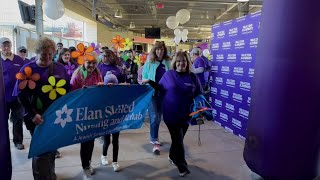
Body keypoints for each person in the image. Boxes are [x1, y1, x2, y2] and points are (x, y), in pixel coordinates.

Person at [14, 37, 69, 179]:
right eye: (44, 54)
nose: (48, 57)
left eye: (51, 54)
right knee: (41, 149)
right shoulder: (28, 69)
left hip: (55, 116)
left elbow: (67, 90)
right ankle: (41, 176)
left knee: (51, 146)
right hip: (36, 117)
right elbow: (21, 95)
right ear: (37, 52)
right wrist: (32, 114)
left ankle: (50, 173)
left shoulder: (59, 68)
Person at [142, 51, 202, 177]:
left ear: (187, 62)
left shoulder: (193, 77)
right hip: (171, 114)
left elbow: (198, 94)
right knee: (178, 140)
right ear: (175, 63)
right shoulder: (169, 74)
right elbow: (160, 87)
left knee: (178, 140)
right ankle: (182, 166)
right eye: (179, 61)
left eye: (184, 61)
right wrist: (149, 81)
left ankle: (171, 156)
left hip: (186, 115)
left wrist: (201, 107)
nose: (181, 63)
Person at [70, 52, 102, 180]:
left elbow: (100, 89)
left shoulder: (97, 73)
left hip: (93, 111)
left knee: (91, 139)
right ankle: (85, 167)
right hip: (82, 112)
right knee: (85, 140)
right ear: (83, 62)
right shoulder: (77, 75)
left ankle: (88, 163)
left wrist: (103, 87)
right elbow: (71, 95)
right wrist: (80, 92)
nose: (92, 65)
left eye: (94, 63)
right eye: (89, 62)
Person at [142, 41, 171, 154]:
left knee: (161, 117)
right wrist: (148, 81)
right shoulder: (149, 62)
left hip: (165, 94)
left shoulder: (168, 62)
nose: (159, 51)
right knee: (154, 117)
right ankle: (154, 140)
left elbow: (172, 76)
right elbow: (143, 77)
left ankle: (155, 138)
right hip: (152, 94)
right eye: (157, 49)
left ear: (164, 51)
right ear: (154, 50)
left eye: (162, 49)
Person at [0, 37, 26, 150]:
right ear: (1, 47)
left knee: (18, 119)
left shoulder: (19, 60)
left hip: (17, 97)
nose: (6, 47)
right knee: (2, 120)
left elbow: (26, 74)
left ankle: (18, 141)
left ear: (11, 46)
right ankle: (3, 142)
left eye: (8, 45)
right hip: (2, 97)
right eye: (4, 45)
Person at [101, 71, 121, 172]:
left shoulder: (119, 94)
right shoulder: (103, 94)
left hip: (116, 121)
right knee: (107, 141)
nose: (111, 85)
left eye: (113, 83)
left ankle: (115, 161)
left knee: (115, 141)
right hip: (106, 121)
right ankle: (104, 156)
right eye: (109, 83)